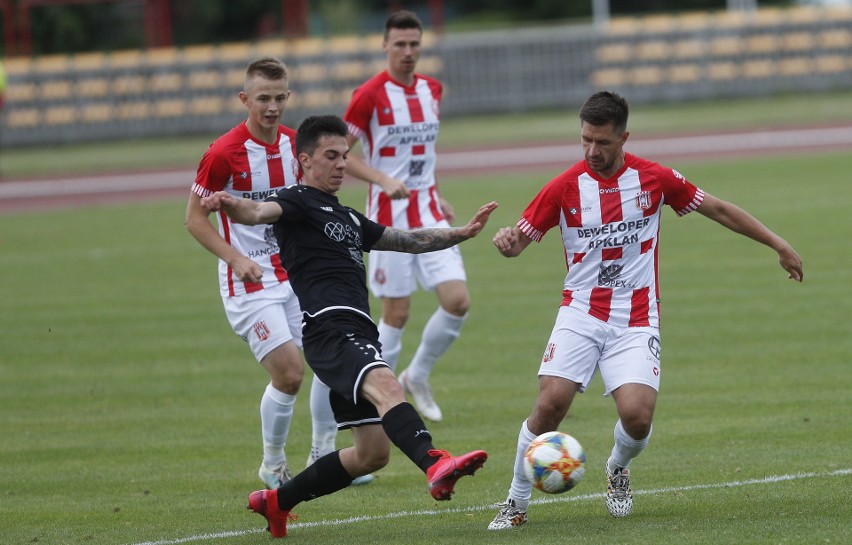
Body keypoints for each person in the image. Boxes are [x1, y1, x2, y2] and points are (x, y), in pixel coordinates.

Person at [487, 91, 803, 530]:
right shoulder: (563, 187)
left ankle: (617, 468)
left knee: (637, 418)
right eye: (585, 141)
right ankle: (515, 503)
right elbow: (518, 242)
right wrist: (506, 242)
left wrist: (778, 244)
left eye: (602, 143)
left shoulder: (654, 179)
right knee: (549, 406)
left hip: (636, 317)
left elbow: (719, 210)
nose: (592, 152)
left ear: (624, 138)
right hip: (580, 313)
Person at [200, 115, 496, 539]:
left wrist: (462, 233)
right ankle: (435, 462)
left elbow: (408, 240)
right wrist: (230, 204)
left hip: (356, 328)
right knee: (390, 387)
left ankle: (276, 502)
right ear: (304, 160)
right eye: (331, 156)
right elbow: (258, 210)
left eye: (345, 156)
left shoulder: (349, 218)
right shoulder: (296, 202)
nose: (342, 165)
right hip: (329, 327)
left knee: (371, 455)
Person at [185, 57, 371, 491]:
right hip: (248, 283)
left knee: (328, 363)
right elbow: (194, 219)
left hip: (296, 277)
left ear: (289, 97)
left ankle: (324, 451)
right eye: (263, 98)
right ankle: (272, 464)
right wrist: (235, 258)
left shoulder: (296, 148)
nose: (272, 107)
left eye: (280, 97)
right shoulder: (222, 153)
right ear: (244, 99)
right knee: (289, 372)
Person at [342, 10, 464, 422]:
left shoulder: (432, 89)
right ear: (385, 45)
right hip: (386, 222)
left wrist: (439, 193)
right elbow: (338, 153)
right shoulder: (369, 95)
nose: (408, 51)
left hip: (429, 212)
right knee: (396, 315)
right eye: (400, 44)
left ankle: (418, 375)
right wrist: (379, 178)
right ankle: (383, 404)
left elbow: (421, 156)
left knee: (457, 301)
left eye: (414, 44)